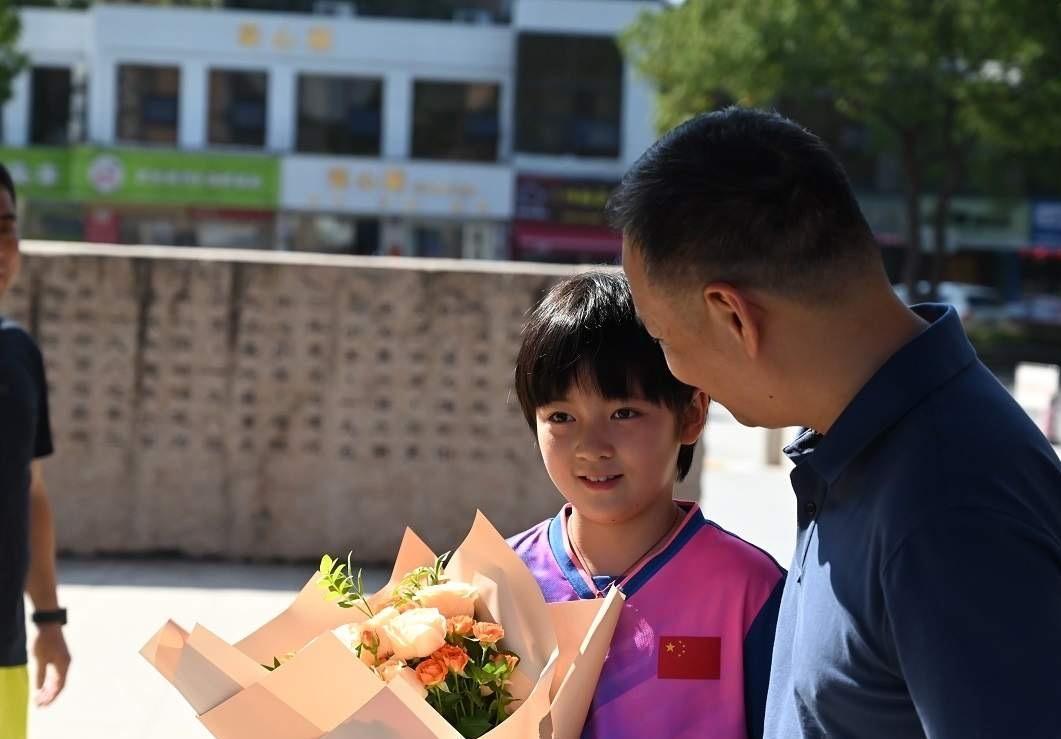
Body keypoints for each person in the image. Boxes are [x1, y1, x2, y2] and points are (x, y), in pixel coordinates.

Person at [611, 107, 1061, 738]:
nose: (676, 372)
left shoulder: (952, 508)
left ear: (733, 317)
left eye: (661, 337)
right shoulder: (866, 442)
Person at [508, 271, 785, 739]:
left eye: (624, 413)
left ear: (692, 414)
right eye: (560, 417)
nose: (591, 447)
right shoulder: (497, 581)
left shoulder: (751, 591)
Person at [0, 163, 70, 739]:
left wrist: (48, 619)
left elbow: (31, 492)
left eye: (6, 228)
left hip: (4, 653)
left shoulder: (19, 353)